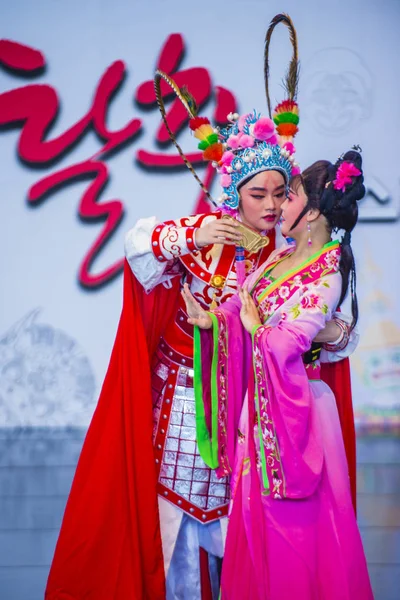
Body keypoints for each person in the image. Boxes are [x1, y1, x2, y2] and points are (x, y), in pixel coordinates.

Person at [45, 15, 357, 600]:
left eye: (277, 194)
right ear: (233, 193)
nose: (267, 205)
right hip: (184, 418)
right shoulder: (199, 236)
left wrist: (332, 334)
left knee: (251, 551)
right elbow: (137, 251)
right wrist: (192, 235)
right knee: (174, 551)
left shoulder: (289, 256)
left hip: (252, 420)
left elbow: (322, 326)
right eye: (255, 194)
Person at [183, 150, 373, 599]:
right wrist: (215, 321)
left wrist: (256, 328)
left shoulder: (328, 273)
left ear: (311, 213)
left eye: (290, 197)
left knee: (298, 534)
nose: (279, 207)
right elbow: (243, 305)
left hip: (298, 409)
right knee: (255, 522)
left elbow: (288, 341)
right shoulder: (278, 258)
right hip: (263, 406)